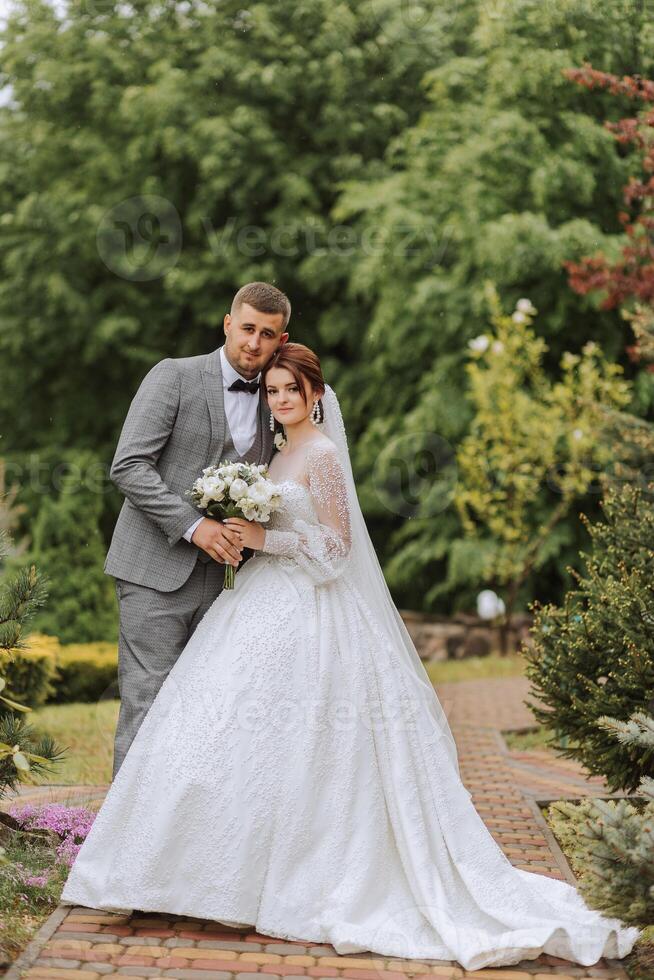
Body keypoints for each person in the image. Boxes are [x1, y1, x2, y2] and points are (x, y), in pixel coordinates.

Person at [61, 344, 642, 970]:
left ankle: (280, 879)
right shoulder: (277, 451)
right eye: (273, 391)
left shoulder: (323, 454)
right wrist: (240, 529)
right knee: (215, 733)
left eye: (291, 389)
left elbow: (336, 551)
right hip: (256, 606)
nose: (280, 399)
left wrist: (264, 536)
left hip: (311, 616)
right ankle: (169, 874)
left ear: (316, 395)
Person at [104, 281, 290, 777]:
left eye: (267, 334)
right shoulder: (174, 376)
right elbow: (128, 466)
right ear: (228, 323)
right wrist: (193, 527)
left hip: (230, 585)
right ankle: (126, 846)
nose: (254, 343)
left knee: (212, 713)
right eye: (247, 328)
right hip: (153, 572)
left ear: (281, 340)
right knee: (148, 705)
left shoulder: (279, 398)